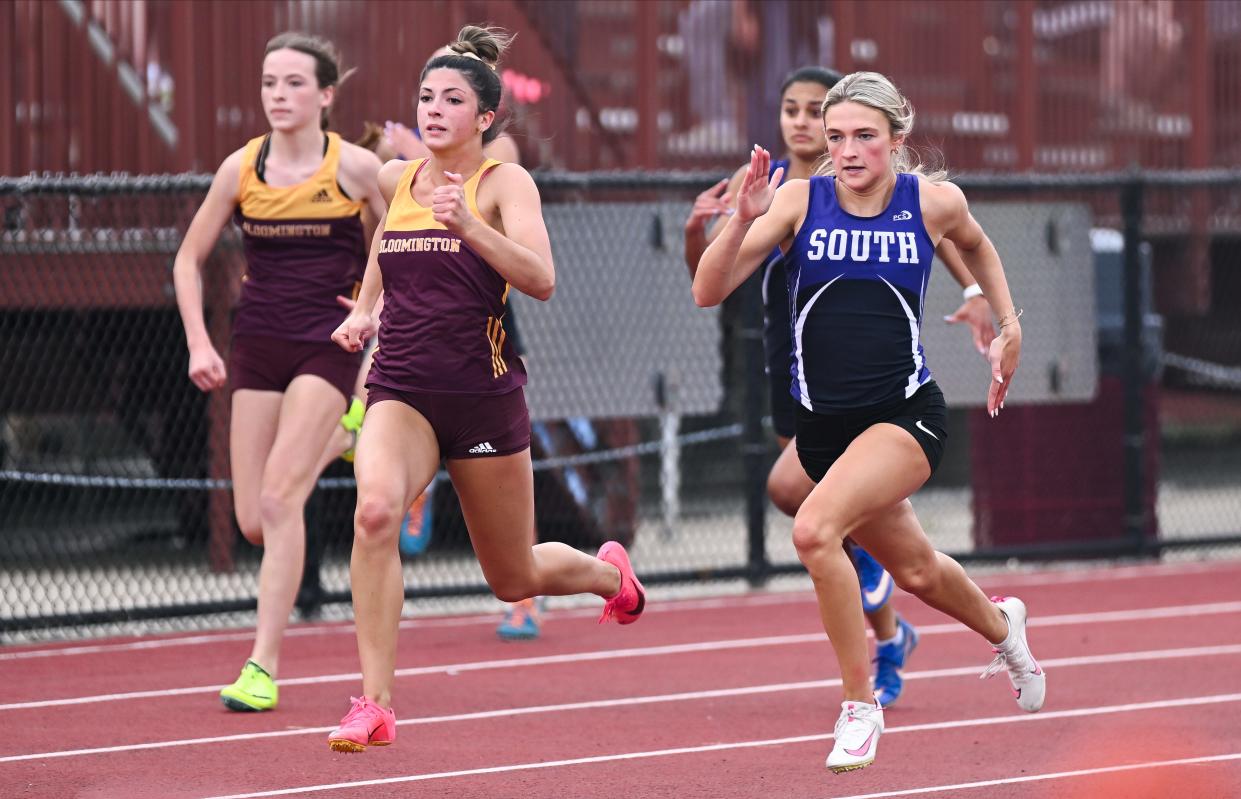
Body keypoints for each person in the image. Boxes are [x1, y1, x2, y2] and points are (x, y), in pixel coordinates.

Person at [692, 71, 1043, 773]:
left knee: (813, 529)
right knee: (914, 568)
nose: (847, 151)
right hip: (824, 429)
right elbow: (707, 290)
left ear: (895, 140)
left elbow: (975, 245)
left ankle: (859, 705)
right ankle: (1005, 627)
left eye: (864, 137)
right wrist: (740, 217)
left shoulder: (931, 202)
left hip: (904, 416)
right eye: (835, 137)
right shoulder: (796, 200)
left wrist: (1007, 324)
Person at [325, 25, 645, 753]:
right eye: (424, 97)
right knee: (374, 514)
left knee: (513, 575)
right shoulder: (394, 178)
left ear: (485, 116)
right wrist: (369, 307)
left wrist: (470, 225)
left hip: (482, 396)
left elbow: (540, 278)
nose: (433, 109)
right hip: (399, 388)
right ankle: (374, 702)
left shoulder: (503, 185)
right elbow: (384, 239)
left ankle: (606, 572)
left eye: (451, 99)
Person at [172, 32, 386, 711]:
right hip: (257, 343)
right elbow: (187, 259)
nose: (278, 95)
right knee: (255, 520)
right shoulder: (241, 169)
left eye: (294, 83)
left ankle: (261, 665)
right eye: (269, 83)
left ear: (326, 96)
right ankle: (345, 443)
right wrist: (199, 343)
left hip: (329, 342)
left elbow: (399, 234)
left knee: (277, 499)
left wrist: (376, 305)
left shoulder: (356, 168)